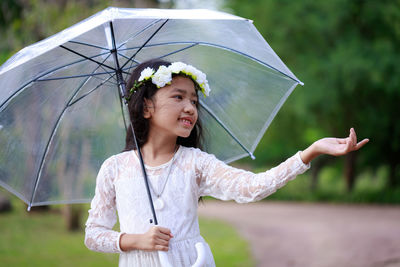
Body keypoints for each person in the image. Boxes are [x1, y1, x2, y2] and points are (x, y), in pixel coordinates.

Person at [84, 59, 369, 266]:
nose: (190, 108)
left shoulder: (194, 163)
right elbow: (94, 234)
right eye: (178, 97)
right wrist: (134, 241)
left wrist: (310, 151)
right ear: (146, 106)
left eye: (194, 101)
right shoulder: (116, 168)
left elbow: (253, 187)